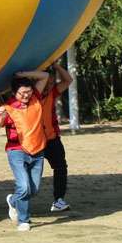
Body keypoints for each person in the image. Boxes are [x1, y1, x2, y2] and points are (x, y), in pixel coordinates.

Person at [0, 71, 50, 232]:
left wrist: (22, 74)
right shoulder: (8, 108)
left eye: (28, 92)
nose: (26, 96)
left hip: (37, 150)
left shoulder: (35, 98)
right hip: (16, 151)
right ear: (14, 92)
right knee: (23, 187)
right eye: (22, 93)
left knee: (33, 189)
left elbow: (44, 76)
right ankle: (24, 220)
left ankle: (14, 201)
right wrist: (0, 118)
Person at [41, 63, 73, 212]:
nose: (50, 85)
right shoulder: (30, 95)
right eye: (47, 83)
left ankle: (58, 200)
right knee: (30, 174)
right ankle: (20, 201)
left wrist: (57, 66)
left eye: (53, 82)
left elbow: (68, 80)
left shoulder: (52, 93)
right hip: (34, 141)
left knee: (60, 167)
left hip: (52, 139)